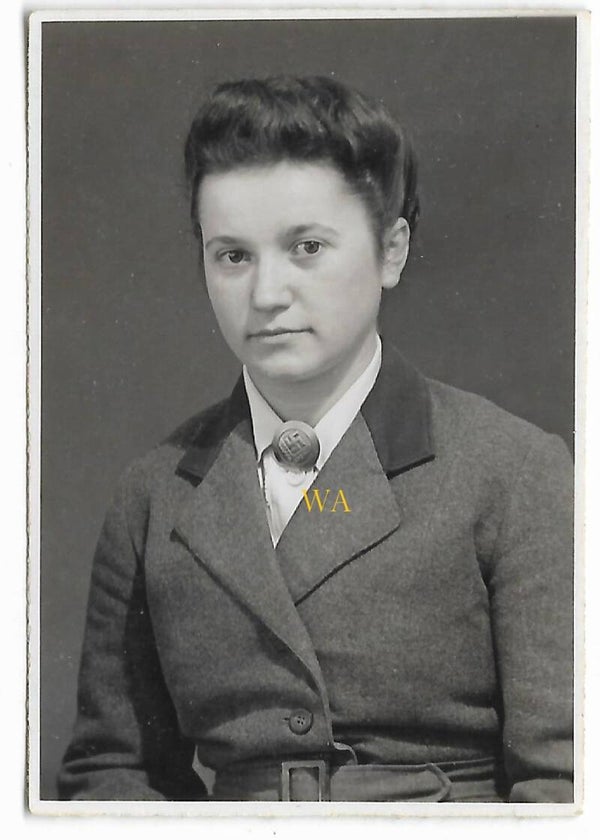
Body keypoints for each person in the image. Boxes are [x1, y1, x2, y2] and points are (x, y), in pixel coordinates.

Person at [58, 76, 573, 803]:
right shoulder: (155, 494)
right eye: (232, 255)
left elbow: (570, 785)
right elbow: (113, 772)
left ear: (392, 250)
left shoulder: (515, 472)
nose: (267, 293)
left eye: (306, 247)